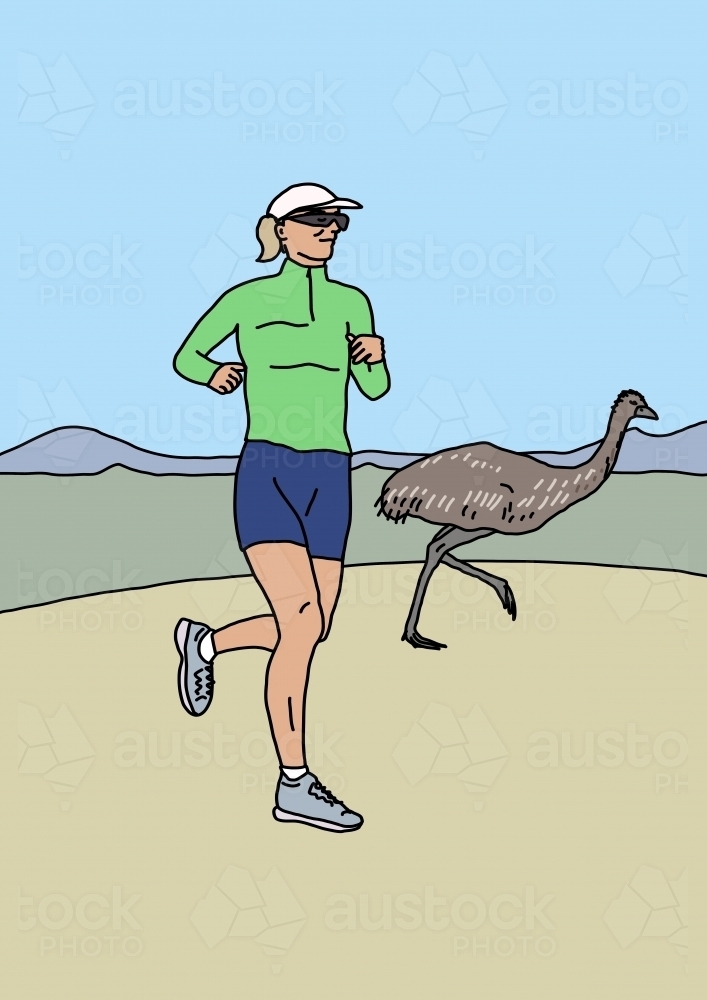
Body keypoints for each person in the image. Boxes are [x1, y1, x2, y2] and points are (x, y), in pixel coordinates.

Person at [172, 183, 390, 832]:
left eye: (335, 224)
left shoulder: (352, 303)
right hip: (268, 469)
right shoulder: (246, 299)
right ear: (281, 229)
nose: (328, 231)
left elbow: (374, 390)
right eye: (315, 221)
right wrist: (214, 375)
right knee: (298, 622)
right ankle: (293, 782)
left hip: (331, 472)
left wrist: (376, 357)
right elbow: (186, 354)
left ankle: (205, 643)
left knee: (313, 626)